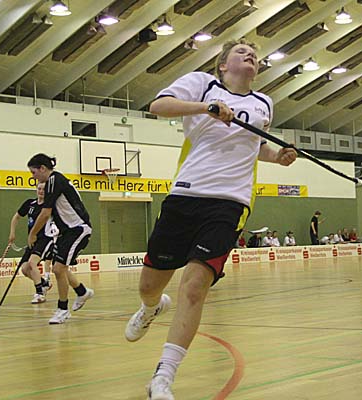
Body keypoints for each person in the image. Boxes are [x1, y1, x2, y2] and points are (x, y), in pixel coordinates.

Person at [124, 38, 297, 400]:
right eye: (241, 52)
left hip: (230, 203)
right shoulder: (203, 84)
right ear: (223, 65)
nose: (250, 55)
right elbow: (158, 106)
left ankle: (163, 377)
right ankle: (151, 307)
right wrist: (208, 108)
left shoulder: (264, 103)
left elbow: (254, 145)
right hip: (186, 195)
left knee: (194, 287)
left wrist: (277, 156)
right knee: (149, 285)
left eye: (254, 54)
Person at [27, 154, 94, 324]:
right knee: (59, 268)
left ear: (43, 168)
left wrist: (32, 234)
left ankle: (63, 309)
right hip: (67, 232)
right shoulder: (53, 181)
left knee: (58, 269)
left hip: (78, 229)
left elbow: (45, 213)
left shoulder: (54, 180)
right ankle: (82, 292)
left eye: (34, 172)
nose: (33, 177)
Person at [9, 183, 55, 304]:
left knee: (32, 263)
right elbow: (16, 217)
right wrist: (12, 233)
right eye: (39, 188)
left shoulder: (50, 206)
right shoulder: (30, 203)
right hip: (32, 240)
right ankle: (44, 283)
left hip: (45, 239)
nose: (41, 191)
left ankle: (40, 293)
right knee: (24, 269)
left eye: (44, 189)